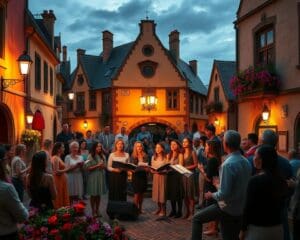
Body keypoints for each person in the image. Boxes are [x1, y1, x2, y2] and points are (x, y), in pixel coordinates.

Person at [191, 130, 251, 240]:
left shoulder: (228, 164)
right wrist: (219, 185)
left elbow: (224, 194)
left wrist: (211, 195)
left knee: (196, 219)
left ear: (225, 144)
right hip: (240, 207)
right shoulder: (246, 161)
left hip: (227, 208)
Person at [239, 145, 288, 240]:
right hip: (278, 228)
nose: (253, 158)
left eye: (255, 156)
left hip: (258, 229)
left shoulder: (255, 181)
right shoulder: (281, 180)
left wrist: (243, 229)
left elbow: (248, 208)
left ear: (261, 160)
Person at [260, 129, 293, 240]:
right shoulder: (286, 163)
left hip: (262, 209)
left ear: (262, 142)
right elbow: (289, 186)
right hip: (280, 207)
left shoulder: (256, 161)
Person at [0, 146, 28, 240]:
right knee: (19, 199)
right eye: (6, 159)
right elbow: (23, 215)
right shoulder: (6, 188)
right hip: (7, 233)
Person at [200, 140, 222, 236]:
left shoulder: (212, 160)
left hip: (211, 186)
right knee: (212, 205)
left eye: (206, 146)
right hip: (214, 185)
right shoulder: (215, 158)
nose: (205, 147)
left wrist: (201, 170)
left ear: (210, 147)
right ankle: (212, 226)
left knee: (212, 206)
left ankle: (214, 228)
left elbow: (208, 178)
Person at [84, 142, 106, 217]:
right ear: (94, 147)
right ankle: (93, 211)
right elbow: (87, 168)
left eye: (100, 146)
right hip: (93, 176)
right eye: (97, 147)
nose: (99, 148)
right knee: (93, 194)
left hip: (100, 176)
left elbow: (104, 167)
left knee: (98, 194)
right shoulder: (90, 156)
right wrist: (97, 166)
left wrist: (102, 166)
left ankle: (97, 210)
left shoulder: (103, 156)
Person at [166, 139, 184, 218]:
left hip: (177, 176)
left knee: (177, 193)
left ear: (178, 146)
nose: (172, 146)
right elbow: (166, 165)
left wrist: (171, 167)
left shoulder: (180, 154)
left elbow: (181, 165)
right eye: (171, 144)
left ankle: (179, 211)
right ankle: (173, 210)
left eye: (174, 144)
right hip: (170, 175)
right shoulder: (168, 155)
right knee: (171, 193)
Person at [130, 141, 149, 213]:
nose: (139, 148)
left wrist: (147, 169)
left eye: (140, 146)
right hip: (136, 176)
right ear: (135, 147)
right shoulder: (133, 156)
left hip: (143, 175)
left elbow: (148, 166)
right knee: (136, 193)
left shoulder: (145, 155)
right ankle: (135, 209)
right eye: (137, 146)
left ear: (142, 147)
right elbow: (131, 167)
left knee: (142, 193)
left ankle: (140, 209)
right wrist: (135, 168)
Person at [182, 137, 198, 220]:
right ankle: (187, 212)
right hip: (183, 175)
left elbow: (196, 164)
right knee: (185, 195)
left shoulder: (193, 152)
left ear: (189, 143)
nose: (184, 143)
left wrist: (186, 167)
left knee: (190, 194)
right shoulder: (182, 153)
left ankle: (192, 213)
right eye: (183, 142)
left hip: (190, 174)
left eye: (185, 142)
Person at [151, 142, 168, 217]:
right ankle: (159, 209)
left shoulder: (166, 157)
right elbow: (151, 167)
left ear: (162, 149)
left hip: (163, 177)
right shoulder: (153, 157)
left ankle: (163, 210)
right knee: (157, 193)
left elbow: (168, 169)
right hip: (156, 176)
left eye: (159, 147)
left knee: (162, 193)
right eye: (156, 147)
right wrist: (152, 170)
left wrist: (163, 171)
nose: (157, 149)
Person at [51, 142, 70, 209]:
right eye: (63, 147)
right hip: (58, 181)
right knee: (59, 198)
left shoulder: (58, 157)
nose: (64, 149)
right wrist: (67, 169)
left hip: (61, 181)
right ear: (58, 149)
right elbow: (56, 171)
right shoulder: (55, 158)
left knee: (62, 196)